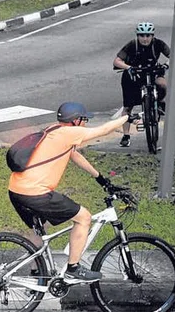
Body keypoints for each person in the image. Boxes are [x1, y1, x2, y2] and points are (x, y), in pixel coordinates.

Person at [8, 102, 135, 283]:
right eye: (84, 120)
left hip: (17, 190)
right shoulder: (70, 132)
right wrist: (127, 118)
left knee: (40, 229)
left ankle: (37, 273)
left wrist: (100, 178)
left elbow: (74, 155)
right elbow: (105, 129)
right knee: (84, 218)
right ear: (76, 120)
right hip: (35, 193)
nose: (85, 124)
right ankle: (73, 268)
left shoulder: (55, 130)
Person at [113, 21, 171, 147]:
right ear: (138, 36)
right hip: (134, 75)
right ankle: (126, 135)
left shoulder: (158, 44)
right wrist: (128, 67)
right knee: (127, 107)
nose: (145, 38)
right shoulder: (132, 45)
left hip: (152, 72)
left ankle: (159, 104)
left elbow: (173, 55)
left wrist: (166, 64)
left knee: (162, 84)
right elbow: (117, 61)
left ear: (152, 36)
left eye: (148, 35)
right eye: (142, 35)